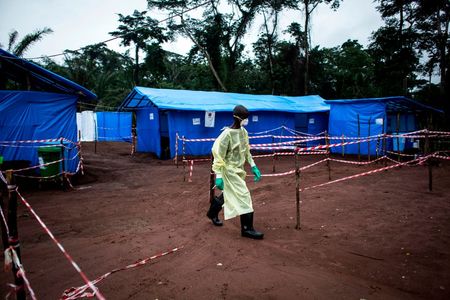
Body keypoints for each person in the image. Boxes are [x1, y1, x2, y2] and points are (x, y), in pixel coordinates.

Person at [206, 105, 264, 239]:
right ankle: (247, 229)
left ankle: (212, 213)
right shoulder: (226, 135)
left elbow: (246, 151)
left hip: (238, 170)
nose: (246, 121)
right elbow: (218, 155)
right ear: (238, 118)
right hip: (229, 171)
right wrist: (219, 176)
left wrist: (253, 166)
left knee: (228, 193)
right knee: (244, 195)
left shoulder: (243, 132)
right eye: (245, 118)